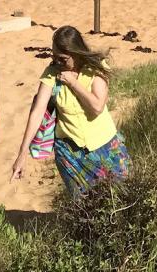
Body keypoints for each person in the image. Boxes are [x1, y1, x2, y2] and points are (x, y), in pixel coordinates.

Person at [12, 26, 130, 196]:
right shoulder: (51, 73)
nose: (57, 62)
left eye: (62, 59)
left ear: (76, 53)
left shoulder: (96, 68)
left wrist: (73, 84)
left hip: (105, 147)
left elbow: (97, 107)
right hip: (69, 154)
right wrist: (22, 154)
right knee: (83, 207)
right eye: (53, 56)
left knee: (122, 196)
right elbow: (37, 112)